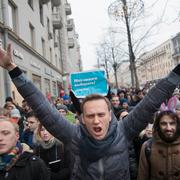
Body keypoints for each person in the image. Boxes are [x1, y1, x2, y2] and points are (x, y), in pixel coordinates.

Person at [0, 44, 180, 179]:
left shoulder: (124, 130)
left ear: (110, 115)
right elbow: (42, 106)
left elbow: (153, 99)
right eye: (90, 115)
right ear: (82, 118)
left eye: (101, 114)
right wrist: (12, 69)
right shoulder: (73, 135)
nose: (96, 120)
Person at [137, 110, 180, 180]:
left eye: (172, 123)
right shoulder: (147, 147)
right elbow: (142, 176)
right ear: (158, 126)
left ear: (178, 125)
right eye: (163, 124)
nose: (168, 128)